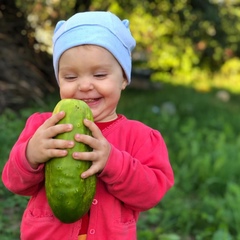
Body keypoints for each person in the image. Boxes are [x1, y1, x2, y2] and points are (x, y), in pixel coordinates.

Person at [1, 11, 174, 240]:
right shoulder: (44, 128)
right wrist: (30, 155)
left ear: (123, 78)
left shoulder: (140, 137)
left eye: (100, 75)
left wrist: (113, 162)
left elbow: (151, 194)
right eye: (70, 77)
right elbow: (14, 183)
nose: (84, 86)